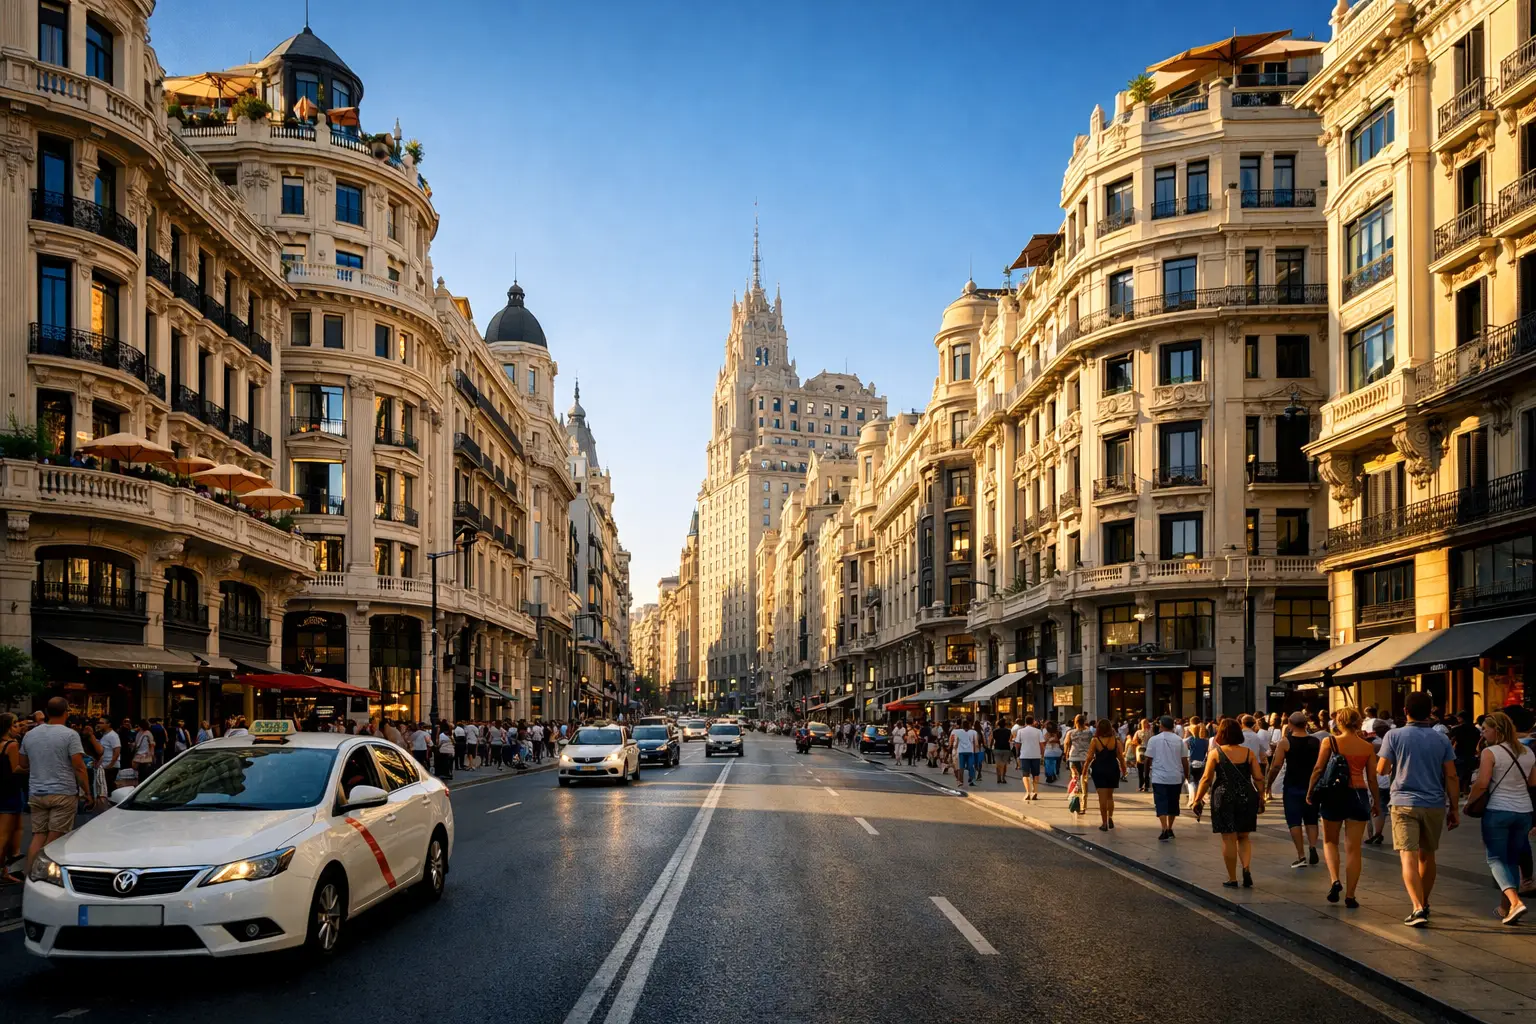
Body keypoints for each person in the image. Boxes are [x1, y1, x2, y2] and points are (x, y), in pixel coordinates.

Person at [1377, 690, 1460, 927]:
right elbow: (1452, 776)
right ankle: (1425, 902)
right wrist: (1453, 808)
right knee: (1428, 855)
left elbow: (1382, 769)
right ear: (1430, 712)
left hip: (1403, 803)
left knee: (1408, 857)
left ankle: (1417, 907)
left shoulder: (1393, 735)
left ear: (1405, 712)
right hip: (1434, 803)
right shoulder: (1442, 738)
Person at [1463, 711, 1536, 925]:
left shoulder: (1490, 752)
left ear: (1498, 730)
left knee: (1495, 858)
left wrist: (1469, 803)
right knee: (1511, 859)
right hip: (1523, 811)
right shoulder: (1528, 752)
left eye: (1486, 728)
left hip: (1498, 810)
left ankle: (1515, 901)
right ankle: (1505, 908)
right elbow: (1533, 783)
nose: (1483, 733)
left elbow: (1483, 783)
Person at [1310, 706, 1379, 911]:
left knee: (1330, 841)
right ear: (1358, 723)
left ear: (1338, 722)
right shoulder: (1367, 747)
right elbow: (1373, 778)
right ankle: (1351, 895)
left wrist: (1310, 791)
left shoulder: (1329, 742)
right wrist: (1375, 802)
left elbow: (1318, 769)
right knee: (1353, 848)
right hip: (1358, 795)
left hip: (1333, 795)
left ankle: (1334, 880)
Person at [1192, 717, 1264, 887]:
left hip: (1223, 796)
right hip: (1246, 796)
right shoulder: (1248, 753)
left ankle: (1232, 878)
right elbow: (1258, 778)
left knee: (1229, 838)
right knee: (1244, 836)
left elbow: (1206, 779)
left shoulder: (1216, 753)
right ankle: (1246, 868)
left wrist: (1197, 799)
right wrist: (1261, 796)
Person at [19, 697, 88, 872]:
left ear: (47, 713)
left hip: (37, 791)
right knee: (55, 840)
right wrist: (87, 792)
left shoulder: (30, 734)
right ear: (66, 712)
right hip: (63, 792)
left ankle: (30, 874)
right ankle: (42, 875)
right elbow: (79, 766)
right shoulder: (70, 735)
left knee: (38, 835)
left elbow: (23, 763)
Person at [1266, 711, 1321, 869]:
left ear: (1290, 724)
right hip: (1312, 785)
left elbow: (1276, 765)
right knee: (1311, 819)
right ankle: (1312, 847)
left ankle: (1301, 855)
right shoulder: (1315, 741)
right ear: (1305, 724)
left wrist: (1268, 784)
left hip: (1292, 785)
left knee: (1294, 821)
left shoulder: (1285, 742)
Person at [1145, 716, 1189, 841]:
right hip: (1175, 777)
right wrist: (1186, 775)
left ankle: (1164, 828)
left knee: (1161, 803)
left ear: (1162, 726)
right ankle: (1170, 828)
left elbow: (1148, 759)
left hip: (1159, 777)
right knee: (1173, 803)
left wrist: (1145, 777)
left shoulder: (1154, 740)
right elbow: (1184, 760)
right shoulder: (1180, 740)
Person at [1083, 719, 1125, 832]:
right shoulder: (1116, 741)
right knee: (1110, 796)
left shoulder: (1095, 741)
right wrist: (1124, 770)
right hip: (1113, 768)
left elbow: (1089, 757)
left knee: (1102, 797)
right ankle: (1110, 817)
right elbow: (1121, 757)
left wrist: (1084, 770)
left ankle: (1104, 823)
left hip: (1099, 769)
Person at [0, 714, 23, 884]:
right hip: (10, 792)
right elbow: (16, 768)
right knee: (4, 836)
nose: (18, 727)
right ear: (8, 727)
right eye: (15, 724)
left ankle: (5, 871)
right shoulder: (12, 745)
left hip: (2, 791)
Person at [1065, 714, 1094, 814]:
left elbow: (1066, 744)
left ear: (1075, 722)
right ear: (1084, 721)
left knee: (1076, 780)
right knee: (1084, 781)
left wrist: (1066, 755)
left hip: (1073, 758)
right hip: (1085, 759)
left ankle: (1075, 801)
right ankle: (1083, 806)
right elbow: (1092, 745)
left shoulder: (1070, 733)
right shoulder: (1089, 732)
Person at [1013, 715, 1043, 797]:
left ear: (1025, 722)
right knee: (1036, 774)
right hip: (1036, 755)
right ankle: (1035, 791)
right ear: (1033, 722)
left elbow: (1017, 744)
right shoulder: (1038, 731)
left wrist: (1017, 753)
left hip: (1025, 755)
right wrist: (1042, 754)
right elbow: (1041, 744)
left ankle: (1028, 792)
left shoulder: (1020, 731)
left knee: (1025, 775)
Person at [1184, 722, 1209, 805]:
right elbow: (1206, 751)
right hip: (1201, 763)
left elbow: (1186, 746)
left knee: (1192, 782)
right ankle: (1200, 798)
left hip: (1192, 762)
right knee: (1200, 781)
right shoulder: (1205, 741)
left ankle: (1193, 799)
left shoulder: (1190, 740)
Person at [1130, 718, 1152, 793]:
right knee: (1141, 770)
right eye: (1144, 723)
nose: (1145, 724)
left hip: (1144, 751)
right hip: (1141, 751)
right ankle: (1142, 785)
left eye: (1146, 722)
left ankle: (1145, 786)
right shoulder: (1140, 732)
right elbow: (1133, 742)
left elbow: (1133, 742)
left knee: (1146, 770)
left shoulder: (1149, 732)